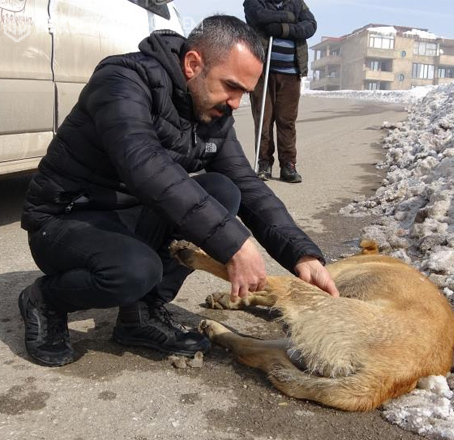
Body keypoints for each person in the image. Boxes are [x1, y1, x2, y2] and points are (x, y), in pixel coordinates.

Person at [18, 15, 339, 368]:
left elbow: (247, 184)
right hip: (66, 219)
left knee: (223, 190)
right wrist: (234, 243)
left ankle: (141, 316)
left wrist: (301, 254)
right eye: (230, 86)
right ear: (192, 64)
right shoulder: (123, 80)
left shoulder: (212, 111)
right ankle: (45, 300)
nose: (235, 103)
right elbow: (143, 164)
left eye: (243, 93)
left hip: (127, 213)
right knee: (136, 270)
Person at [244, 0, 317, 183]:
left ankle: (288, 165)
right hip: (262, 71)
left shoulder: (297, 3)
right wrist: (288, 18)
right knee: (263, 119)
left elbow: (310, 26)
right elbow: (257, 16)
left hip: (291, 72)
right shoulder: (254, 1)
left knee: (287, 121)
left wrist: (283, 30)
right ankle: (264, 163)